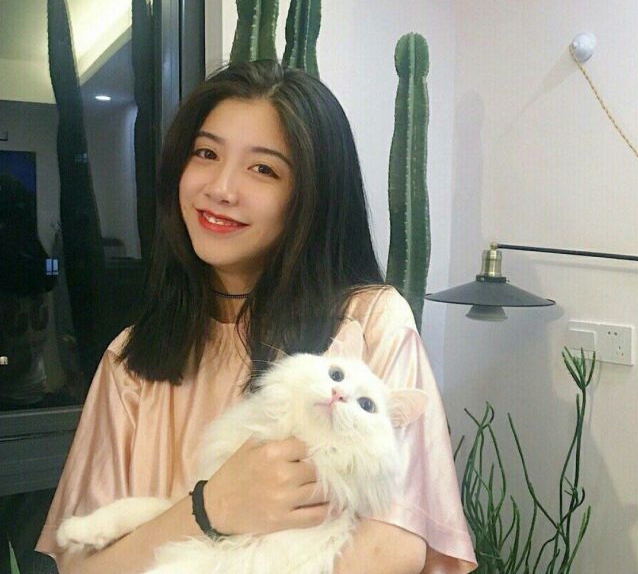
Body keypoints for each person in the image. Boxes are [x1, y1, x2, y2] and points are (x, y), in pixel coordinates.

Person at [36, 60, 478, 574]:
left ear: (310, 197)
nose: (221, 188)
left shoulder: (368, 320)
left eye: (263, 169)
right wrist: (212, 508)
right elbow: (83, 567)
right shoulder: (131, 359)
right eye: (206, 153)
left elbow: (388, 552)